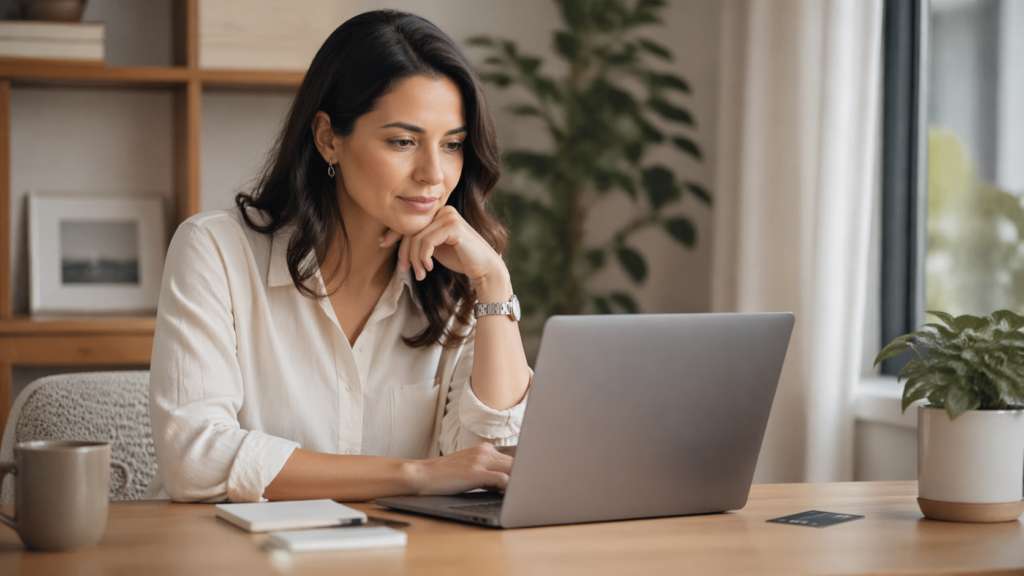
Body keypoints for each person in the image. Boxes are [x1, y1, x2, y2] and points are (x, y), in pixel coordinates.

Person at [145, 10, 532, 503]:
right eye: (403, 141)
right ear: (329, 138)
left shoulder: (459, 277)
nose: (434, 174)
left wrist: (494, 284)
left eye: (453, 144)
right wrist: (415, 474)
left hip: (404, 545)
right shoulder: (215, 251)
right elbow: (195, 458)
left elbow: (492, 466)